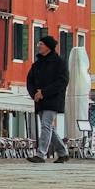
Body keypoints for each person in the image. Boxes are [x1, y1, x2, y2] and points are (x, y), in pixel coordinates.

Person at [25, 35, 69, 163]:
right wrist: (34, 94)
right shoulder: (37, 64)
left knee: (45, 126)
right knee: (48, 127)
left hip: (53, 100)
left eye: (41, 44)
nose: (38, 46)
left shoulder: (60, 63)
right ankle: (63, 152)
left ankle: (41, 154)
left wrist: (44, 92)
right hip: (40, 100)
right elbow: (29, 81)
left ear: (48, 47)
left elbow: (62, 81)